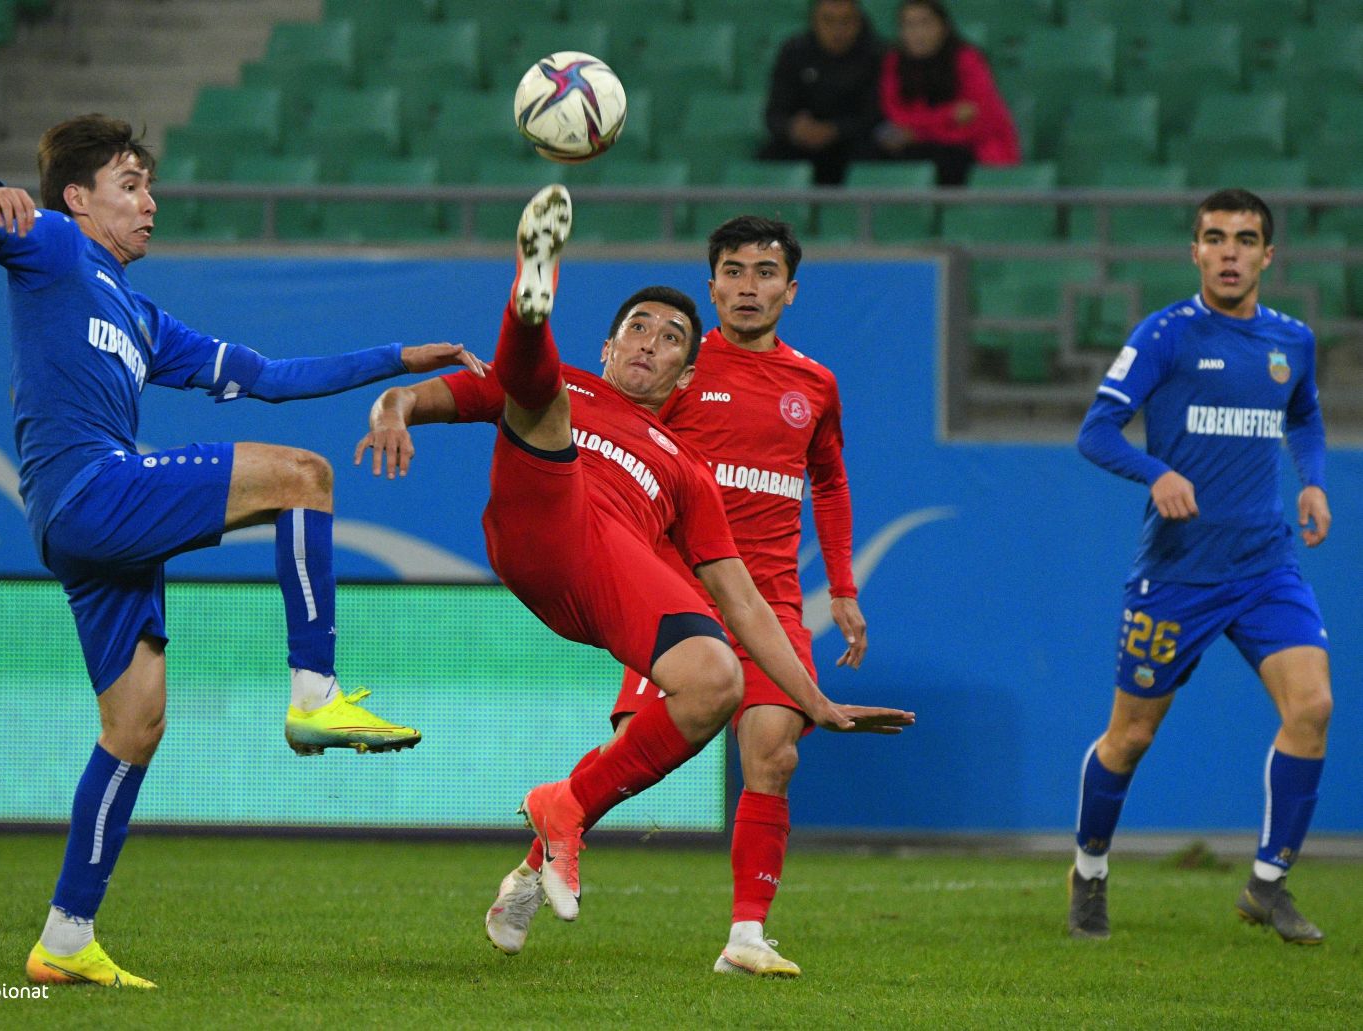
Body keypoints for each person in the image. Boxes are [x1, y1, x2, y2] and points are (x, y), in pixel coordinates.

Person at [0, 114, 485, 988]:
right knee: (304, 474)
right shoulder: (55, 248)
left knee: (135, 726)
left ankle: (64, 941)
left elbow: (267, 376)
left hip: (88, 529)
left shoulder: (138, 314)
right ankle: (316, 695)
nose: (150, 203)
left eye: (150, 185)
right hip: (89, 491)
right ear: (77, 199)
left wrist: (397, 358)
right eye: (130, 184)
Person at [358, 185, 914, 944]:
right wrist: (395, 405)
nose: (651, 342)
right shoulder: (580, 387)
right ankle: (530, 299)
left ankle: (622, 873)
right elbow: (458, 392)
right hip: (546, 520)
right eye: (637, 329)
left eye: (668, 337)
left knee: (718, 692)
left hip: (619, 577)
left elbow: (751, 585)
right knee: (540, 396)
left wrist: (819, 694)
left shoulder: (699, 460)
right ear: (609, 345)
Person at [477, 215, 866, 977]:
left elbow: (831, 478)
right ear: (712, 282)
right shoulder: (679, 364)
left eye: (764, 272)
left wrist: (843, 585)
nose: (747, 287)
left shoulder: (814, 384)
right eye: (732, 271)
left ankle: (747, 935)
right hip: (674, 589)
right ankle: (533, 865)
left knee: (774, 753)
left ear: (791, 288)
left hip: (770, 595)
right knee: (636, 753)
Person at [1068, 189, 1332, 944]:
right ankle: (1088, 870)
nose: (1228, 251)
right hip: (1178, 574)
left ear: (1267, 255)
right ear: (1194, 250)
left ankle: (1268, 883)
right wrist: (1155, 471)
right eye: (1214, 237)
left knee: (1311, 707)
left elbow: (1304, 414)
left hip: (1265, 566)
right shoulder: (1166, 335)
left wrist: (1310, 478)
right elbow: (1096, 431)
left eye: (1245, 239)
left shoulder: (1292, 341)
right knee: (1130, 738)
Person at [877, 0, 1018, 186]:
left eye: (925, 23)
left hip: (971, 148)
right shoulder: (894, 61)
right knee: (876, 151)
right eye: (909, 25)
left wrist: (919, 133)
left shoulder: (967, 59)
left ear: (944, 27)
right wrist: (950, 115)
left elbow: (982, 122)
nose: (918, 33)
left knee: (947, 159)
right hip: (922, 144)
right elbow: (897, 115)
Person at [759, 0, 887, 186]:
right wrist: (793, 128)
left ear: (859, 22)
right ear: (814, 22)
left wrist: (835, 130)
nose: (838, 29)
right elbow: (774, 114)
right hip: (802, 144)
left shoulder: (877, 55)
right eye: (828, 20)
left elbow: (876, 115)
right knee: (769, 159)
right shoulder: (794, 52)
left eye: (846, 20)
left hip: (852, 144)